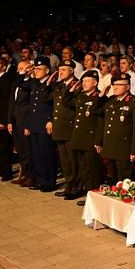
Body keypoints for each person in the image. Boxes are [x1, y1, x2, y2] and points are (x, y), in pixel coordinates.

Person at [97, 73, 135, 183]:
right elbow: (97, 111)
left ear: (128, 87)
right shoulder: (111, 101)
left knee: (125, 181)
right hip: (110, 147)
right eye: (114, 84)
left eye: (119, 84)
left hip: (124, 149)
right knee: (113, 180)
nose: (115, 87)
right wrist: (101, 96)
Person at [20, 56, 57, 192]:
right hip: (34, 123)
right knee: (37, 154)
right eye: (35, 68)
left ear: (47, 70)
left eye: (38, 69)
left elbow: (54, 105)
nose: (36, 71)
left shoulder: (52, 84)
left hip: (45, 123)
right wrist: (28, 125)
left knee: (46, 154)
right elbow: (31, 105)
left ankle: (49, 182)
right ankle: (41, 180)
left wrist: (51, 120)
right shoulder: (34, 83)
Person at [69, 70, 105, 206]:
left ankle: (96, 198)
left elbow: (100, 120)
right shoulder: (81, 96)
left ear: (95, 83)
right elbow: (67, 102)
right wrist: (73, 88)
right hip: (80, 139)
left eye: (87, 81)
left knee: (94, 170)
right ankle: (89, 196)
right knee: (84, 169)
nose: (83, 84)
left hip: (91, 140)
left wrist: (98, 141)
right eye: (83, 81)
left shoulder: (99, 98)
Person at [51, 60, 80, 200]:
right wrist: (49, 81)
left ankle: (76, 187)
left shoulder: (78, 85)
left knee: (73, 160)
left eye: (64, 69)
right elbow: (47, 98)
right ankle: (69, 185)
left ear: (72, 71)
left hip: (70, 128)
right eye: (59, 69)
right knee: (64, 160)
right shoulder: (59, 85)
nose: (61, 72)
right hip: (59, 128)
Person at [7, 61, 34, 185]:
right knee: (20, 149)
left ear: (29, 68)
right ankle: (24, 174)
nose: (19, 70)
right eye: (18, 68)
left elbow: (30, 105)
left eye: (22, 68)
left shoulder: (31, 82)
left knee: (28, 150)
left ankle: (31, 175)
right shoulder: (16, 82)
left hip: (25, 120)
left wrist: (29, 124)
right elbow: (11, 103)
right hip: (15, 120)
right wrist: (9, 121)